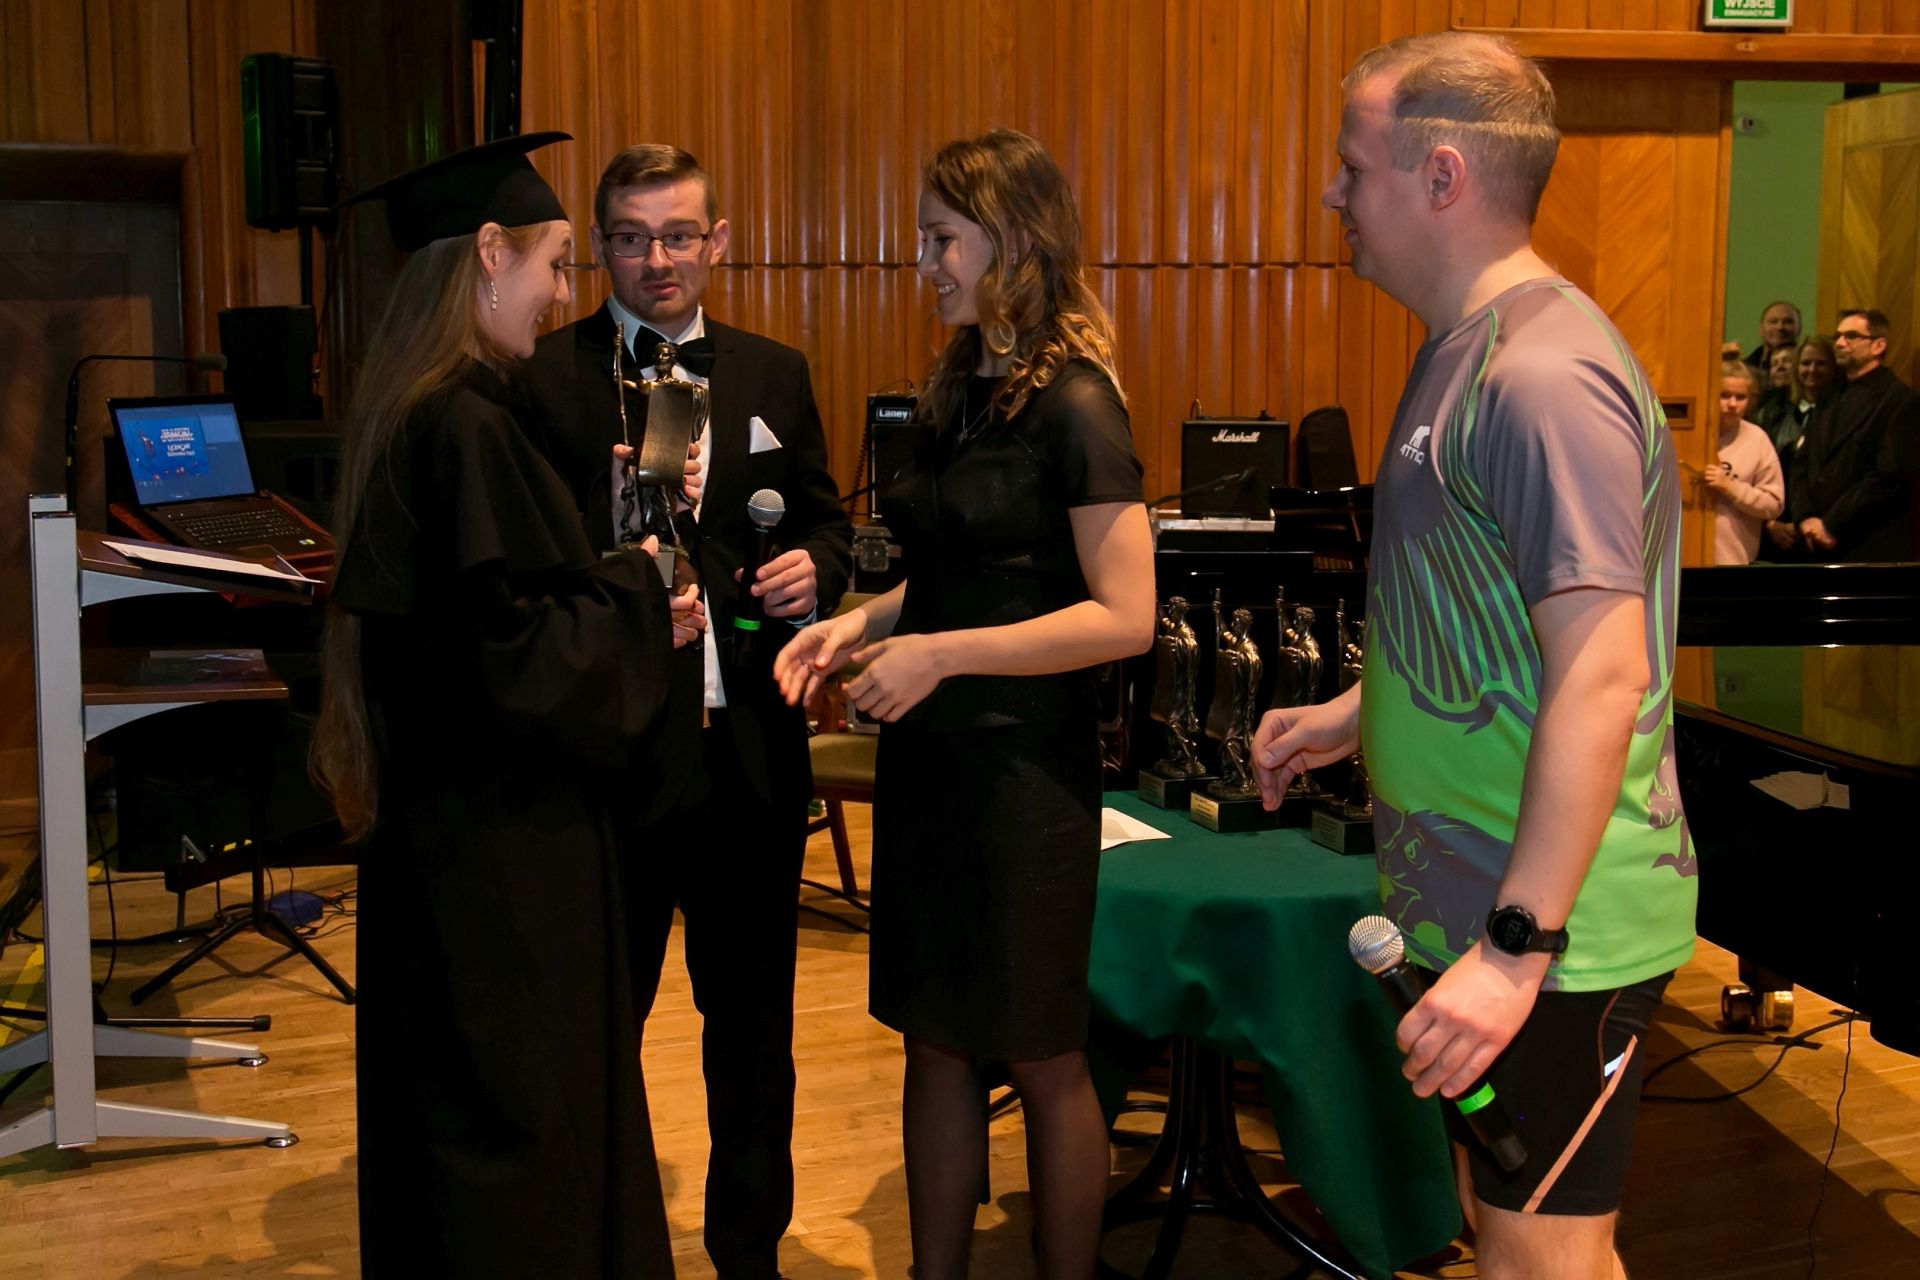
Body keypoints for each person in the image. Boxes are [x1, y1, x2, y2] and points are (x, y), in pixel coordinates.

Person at [1258, 34, 1695, 1280]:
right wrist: (1361, 709)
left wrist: (1514, 949)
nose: (1334, 192)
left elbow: (1602, 671)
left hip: (1555, 930)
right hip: (1485, 902)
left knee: (1537, 1259)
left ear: (1441, 174)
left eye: (1354, 167)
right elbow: (1493, 616)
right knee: (1512, 1236)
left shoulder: (1544, 374)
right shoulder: (1468, 346)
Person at [772, 129, 1154, 1280]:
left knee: (1040, 1055)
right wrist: (861, 624)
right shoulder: (957, 387)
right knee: (932, 1038)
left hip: (1025, 774)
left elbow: (1125, 615)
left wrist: (938, 653)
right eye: (923, 238)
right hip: (934, 762)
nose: (923, 262)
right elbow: (952, 577)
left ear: (1013, 241)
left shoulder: (1078, 404)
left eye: (942, 238)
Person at [313, 132, 693, 1278]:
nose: (564, 292)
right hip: (505, 862)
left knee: (457, 1125)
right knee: (526, 1135)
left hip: (446, 851)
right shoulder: (465, 423)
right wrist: (644, 595)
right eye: (558, 261)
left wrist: (605, 573)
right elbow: (512, 656)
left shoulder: (421, 409)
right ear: (489, 252)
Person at [520, 143, 852, 1280]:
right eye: (630, 237)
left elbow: (825, 520)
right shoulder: (542, 377)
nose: (656, 258)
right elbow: (526, 568)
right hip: (608, 763)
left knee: (754, 1039)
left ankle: (748, 1257)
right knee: (593, 1031)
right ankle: (596, 1246)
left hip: (747, 758)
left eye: (677, 235)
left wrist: (815, 565)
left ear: (717, 240)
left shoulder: (775, 372)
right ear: (601, 246)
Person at [1788, 308, 1920, 562]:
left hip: (1866, 542)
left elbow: (1888, 477)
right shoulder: (1828, 397)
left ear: (1878, 346)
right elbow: (1801, 462)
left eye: (1851, 336)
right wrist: (1805, 517)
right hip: (1813, 541)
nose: (1839, 343)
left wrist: (1831, 525)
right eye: (1837, 336)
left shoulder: (1900, 401)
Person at [1760, 335, 1838, 558]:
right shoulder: (1773, 411)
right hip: (1776, 529)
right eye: (1805, 363)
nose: (1812, 370)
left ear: (1834, 368)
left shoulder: (1842, 412)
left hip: (1823, 528)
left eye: (1821, 363)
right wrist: (1770, 522)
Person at [1702, 361, 1784, 564]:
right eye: (1724, 395)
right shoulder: (1692, 435)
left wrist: (1730, 487)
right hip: (1685, 557)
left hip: (1734, 561)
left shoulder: (1757, 438)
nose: (1732, 404)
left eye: (1740, 397)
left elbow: (1774, 504)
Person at [1744, 298, 1802, 378]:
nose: (1780, 327)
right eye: (1773, 322)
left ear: (1799, 329)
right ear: (1761, 329)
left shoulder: (1810, 368)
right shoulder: (1744, 370)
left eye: (1788, 322)